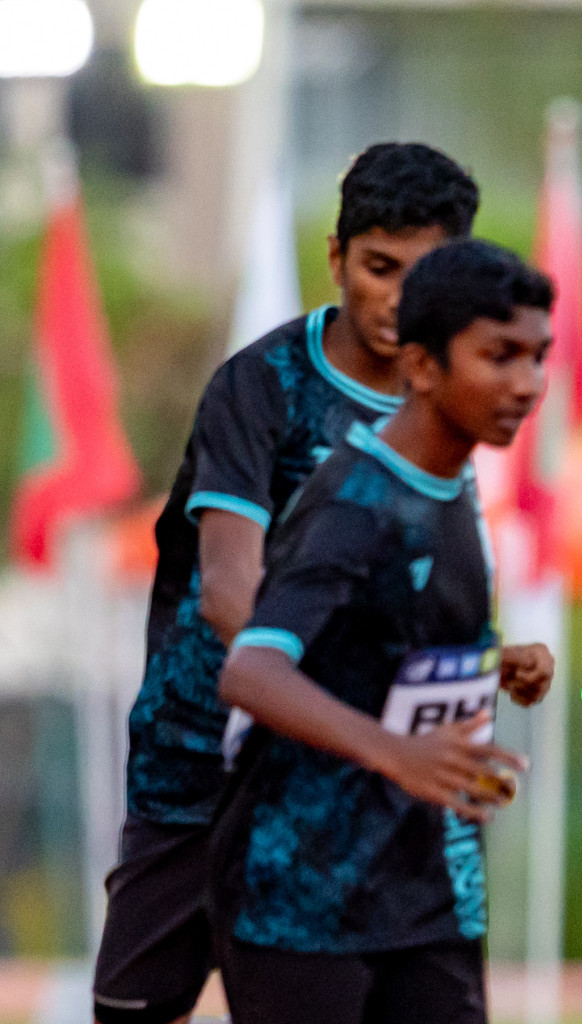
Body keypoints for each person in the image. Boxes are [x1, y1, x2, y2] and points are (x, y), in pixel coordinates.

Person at [93, 142, 480, 1024]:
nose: (396, 297)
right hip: (200, 765)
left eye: (423, 276)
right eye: (379, 267)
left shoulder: (447, 411)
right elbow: (232, 596)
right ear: (338, 257)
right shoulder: (261, 388)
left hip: (350, 794)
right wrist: (346, 713)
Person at [211, 239, 555, 1024]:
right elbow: (252, 671)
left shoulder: (457, 475)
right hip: (299, 893)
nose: (527, 385)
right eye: (499, 356)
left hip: (427, 880)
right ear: (423, 366)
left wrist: (494, 663)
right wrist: (398, 753)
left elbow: (381, 636)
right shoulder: (354, 502)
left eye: (538, 356)